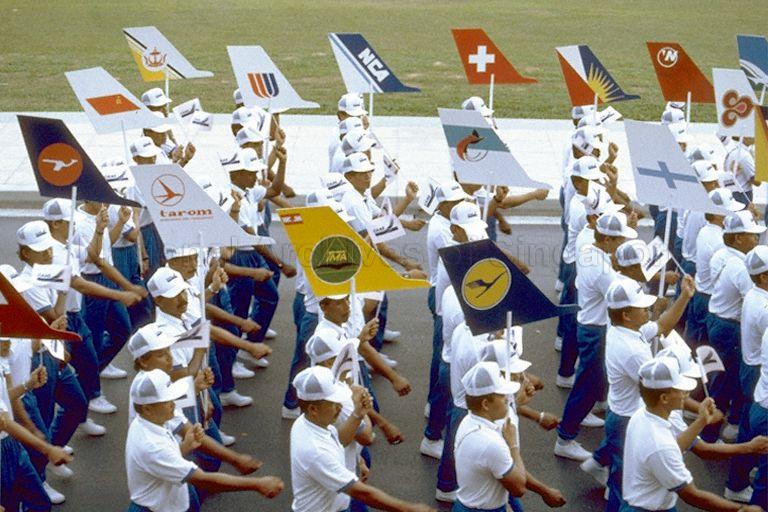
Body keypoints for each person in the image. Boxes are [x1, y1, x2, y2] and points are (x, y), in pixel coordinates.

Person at [587, 275, 694, 511]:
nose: (648, 310)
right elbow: (662, 388)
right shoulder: (633, 350)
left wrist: (684, 296)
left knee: (620, 482)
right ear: (626, 314)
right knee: (631, 492)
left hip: (621, 415)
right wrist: (698, 407)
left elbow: (663, 325)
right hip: (626, 420)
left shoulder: (624, 331)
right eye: (642, 308)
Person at [126, 369, 283, 511]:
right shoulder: (152, 445)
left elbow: (159, 463)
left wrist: (185, 446)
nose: (174, 404)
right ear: (147, 408)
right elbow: (203, 480)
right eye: (168, 401)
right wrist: (257, 484)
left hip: (170, 499)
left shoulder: (150, 420)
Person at [622, 356, 762, 511]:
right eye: (680, 390)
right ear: (664, 398)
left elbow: (676, 446)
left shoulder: (642, 414)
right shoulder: (660, 445)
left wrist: (702, 420)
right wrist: (742, 509)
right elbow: (692, 495)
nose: (686, 393)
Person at [289, 366, 434, 512]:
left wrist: (358, 415)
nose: (339, 407)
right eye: (333, 404)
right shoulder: (315, 451)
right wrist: (409, 509)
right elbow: (363, 494)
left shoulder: (306, 422)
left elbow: (338, 441)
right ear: (313, 409)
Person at [555, 211, 637, 461]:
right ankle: (565, 437)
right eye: (620, 239)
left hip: (591, 325)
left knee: (594, 379)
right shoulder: (602, 269)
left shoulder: (590, 251)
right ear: (609, 240)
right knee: (586, 384)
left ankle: (585, 413)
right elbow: (620, 297)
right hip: (596, 329)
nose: (623, 244)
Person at [704, 211, 765, 444]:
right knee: (725, 383)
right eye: (752, 235)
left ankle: (721, 426)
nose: (756, 239)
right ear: (738, 238)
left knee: (721, 379)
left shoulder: (724, 255)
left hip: (719, 319)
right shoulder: (741, 267)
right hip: (729, 326)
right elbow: (754, 295)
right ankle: (710, 435)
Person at [453, 361, 527, 512]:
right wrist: (513, 446)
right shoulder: (491, 443)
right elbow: (519, 488)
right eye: (502, 395)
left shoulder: (468, 421)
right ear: (486, 404)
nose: (508, 398)